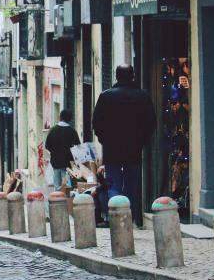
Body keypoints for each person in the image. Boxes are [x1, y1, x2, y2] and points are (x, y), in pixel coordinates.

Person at [92, 64, 156, 228]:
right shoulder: (142, 96)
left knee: (113, 183)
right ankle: (129, 218)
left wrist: (104, 139)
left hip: (112, 148)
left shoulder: (106, 96)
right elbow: (151, 122)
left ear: (116, 76)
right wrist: (142, 140)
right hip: (134, 148)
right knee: (131, 184)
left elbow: (96, 122)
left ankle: (116, 217)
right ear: (133, 76)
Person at [45, 109, 81, 193]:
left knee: (57, 186)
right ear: (70, 119)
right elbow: (78, 147)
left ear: (60, 117)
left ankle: (57, 199)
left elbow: (47, 146)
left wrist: (55, 152)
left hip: (56, 162)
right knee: (67, 187)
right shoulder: (72, 131)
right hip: (68, 164)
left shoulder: (53, 130)